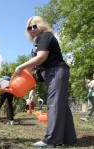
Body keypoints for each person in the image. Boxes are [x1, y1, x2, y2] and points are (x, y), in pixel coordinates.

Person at [14, 16, 77, 147]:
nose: (32, 29)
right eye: (29, 28)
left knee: (54, 104)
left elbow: (41, 57)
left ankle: (51, 140)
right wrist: (31, 68)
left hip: (56, 71)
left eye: (35, 26)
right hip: (51, 73)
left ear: (41, 25)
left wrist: (21, 66)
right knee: (61, 105)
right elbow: (38, 61)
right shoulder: (37, 41)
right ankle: (69, 138)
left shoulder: (46, 36)